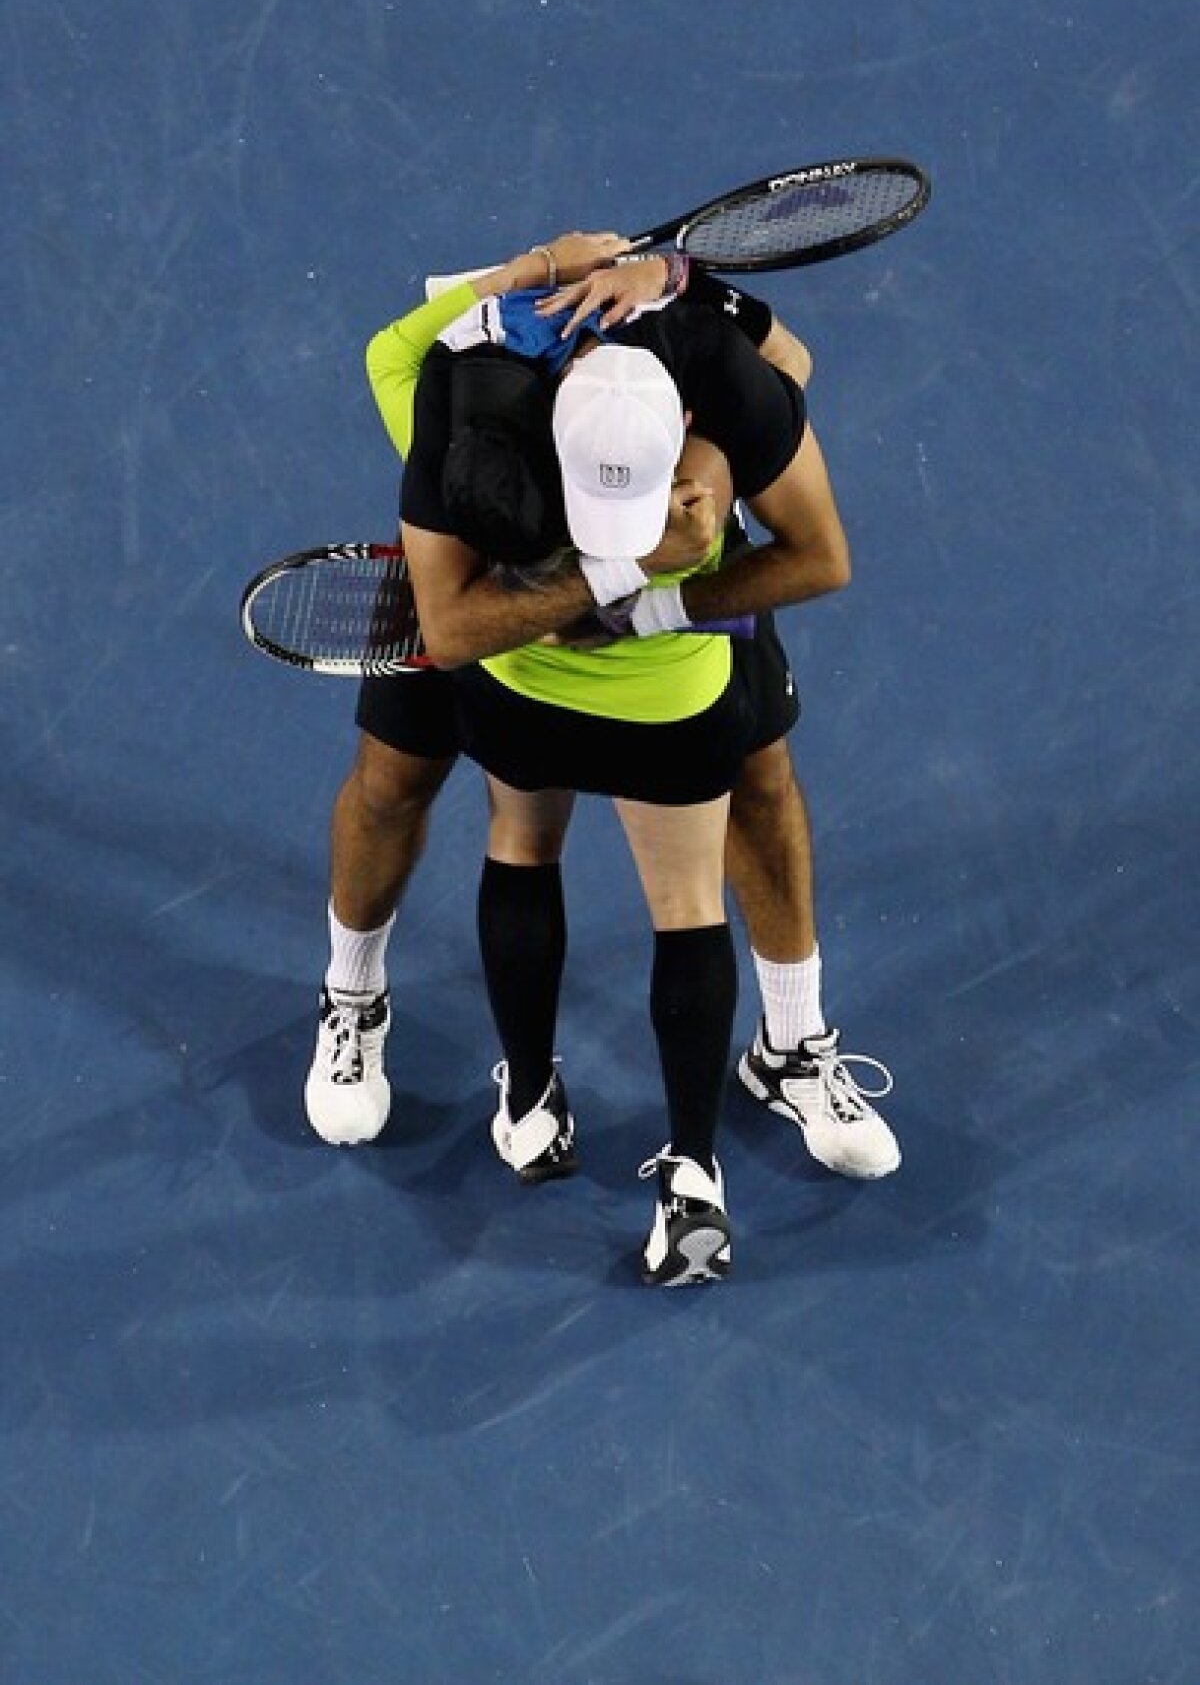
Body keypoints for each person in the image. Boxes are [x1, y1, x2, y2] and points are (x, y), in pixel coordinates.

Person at [306, 233, 899, 1203]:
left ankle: (790, 1049)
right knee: (391, 783)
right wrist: (535, 267)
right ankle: (352, 997)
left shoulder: (704, 380)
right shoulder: (465, 408)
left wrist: (677, 277)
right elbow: (453, 622)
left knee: (758, 784)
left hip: (677, 609)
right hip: (463, 572)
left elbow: (790, 373)